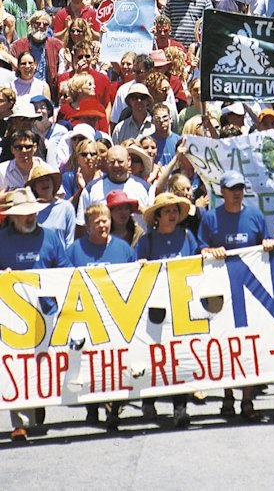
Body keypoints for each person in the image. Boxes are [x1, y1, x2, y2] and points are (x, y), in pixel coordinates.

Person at [198, 170, 274, 421]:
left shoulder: (255, 216)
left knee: (248, 344)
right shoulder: (210, 218)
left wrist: (268, 244)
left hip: (250, 293)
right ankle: (228, 396)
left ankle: (248, 399)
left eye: (240, 188)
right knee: (224, 342)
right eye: (232, 188)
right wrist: (210, 250)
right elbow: (200, 249)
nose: (236, 193)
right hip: (220, 292)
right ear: (222, 191)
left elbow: (269, 245)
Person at [0, 187, 68, 441]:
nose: (30, 218)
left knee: (43, 366)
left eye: (33, 213)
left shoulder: (50, 237)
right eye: (24, 214)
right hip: (13, 319)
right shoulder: (1, 240)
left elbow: (65, 271)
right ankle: (20, 423)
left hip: (47, 314)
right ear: (12, 217)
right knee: (15, 366)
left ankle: (38, 400)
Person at [67, 203, 134, 430]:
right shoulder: (75, 250)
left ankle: (114, 409)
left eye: (105, 220)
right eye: (97, 222)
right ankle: (92, 406)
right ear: (87, 226)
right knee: (90, 363)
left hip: (117, 317)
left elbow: (136, 278)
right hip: (86, 318)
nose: (103, 225)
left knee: (115, 363)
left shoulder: (124, 248)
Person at [134, 190, 197, 428]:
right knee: (154, 354)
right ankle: (149, 400)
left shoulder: (187, 236)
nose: (171, 215)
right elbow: (135, 272)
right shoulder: (147, 241)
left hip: (182, 305)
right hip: (155, 308)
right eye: (167, 211)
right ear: (157, 216)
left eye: (175, 211)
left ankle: (180, 408)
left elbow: (200, 260)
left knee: (178, 356)